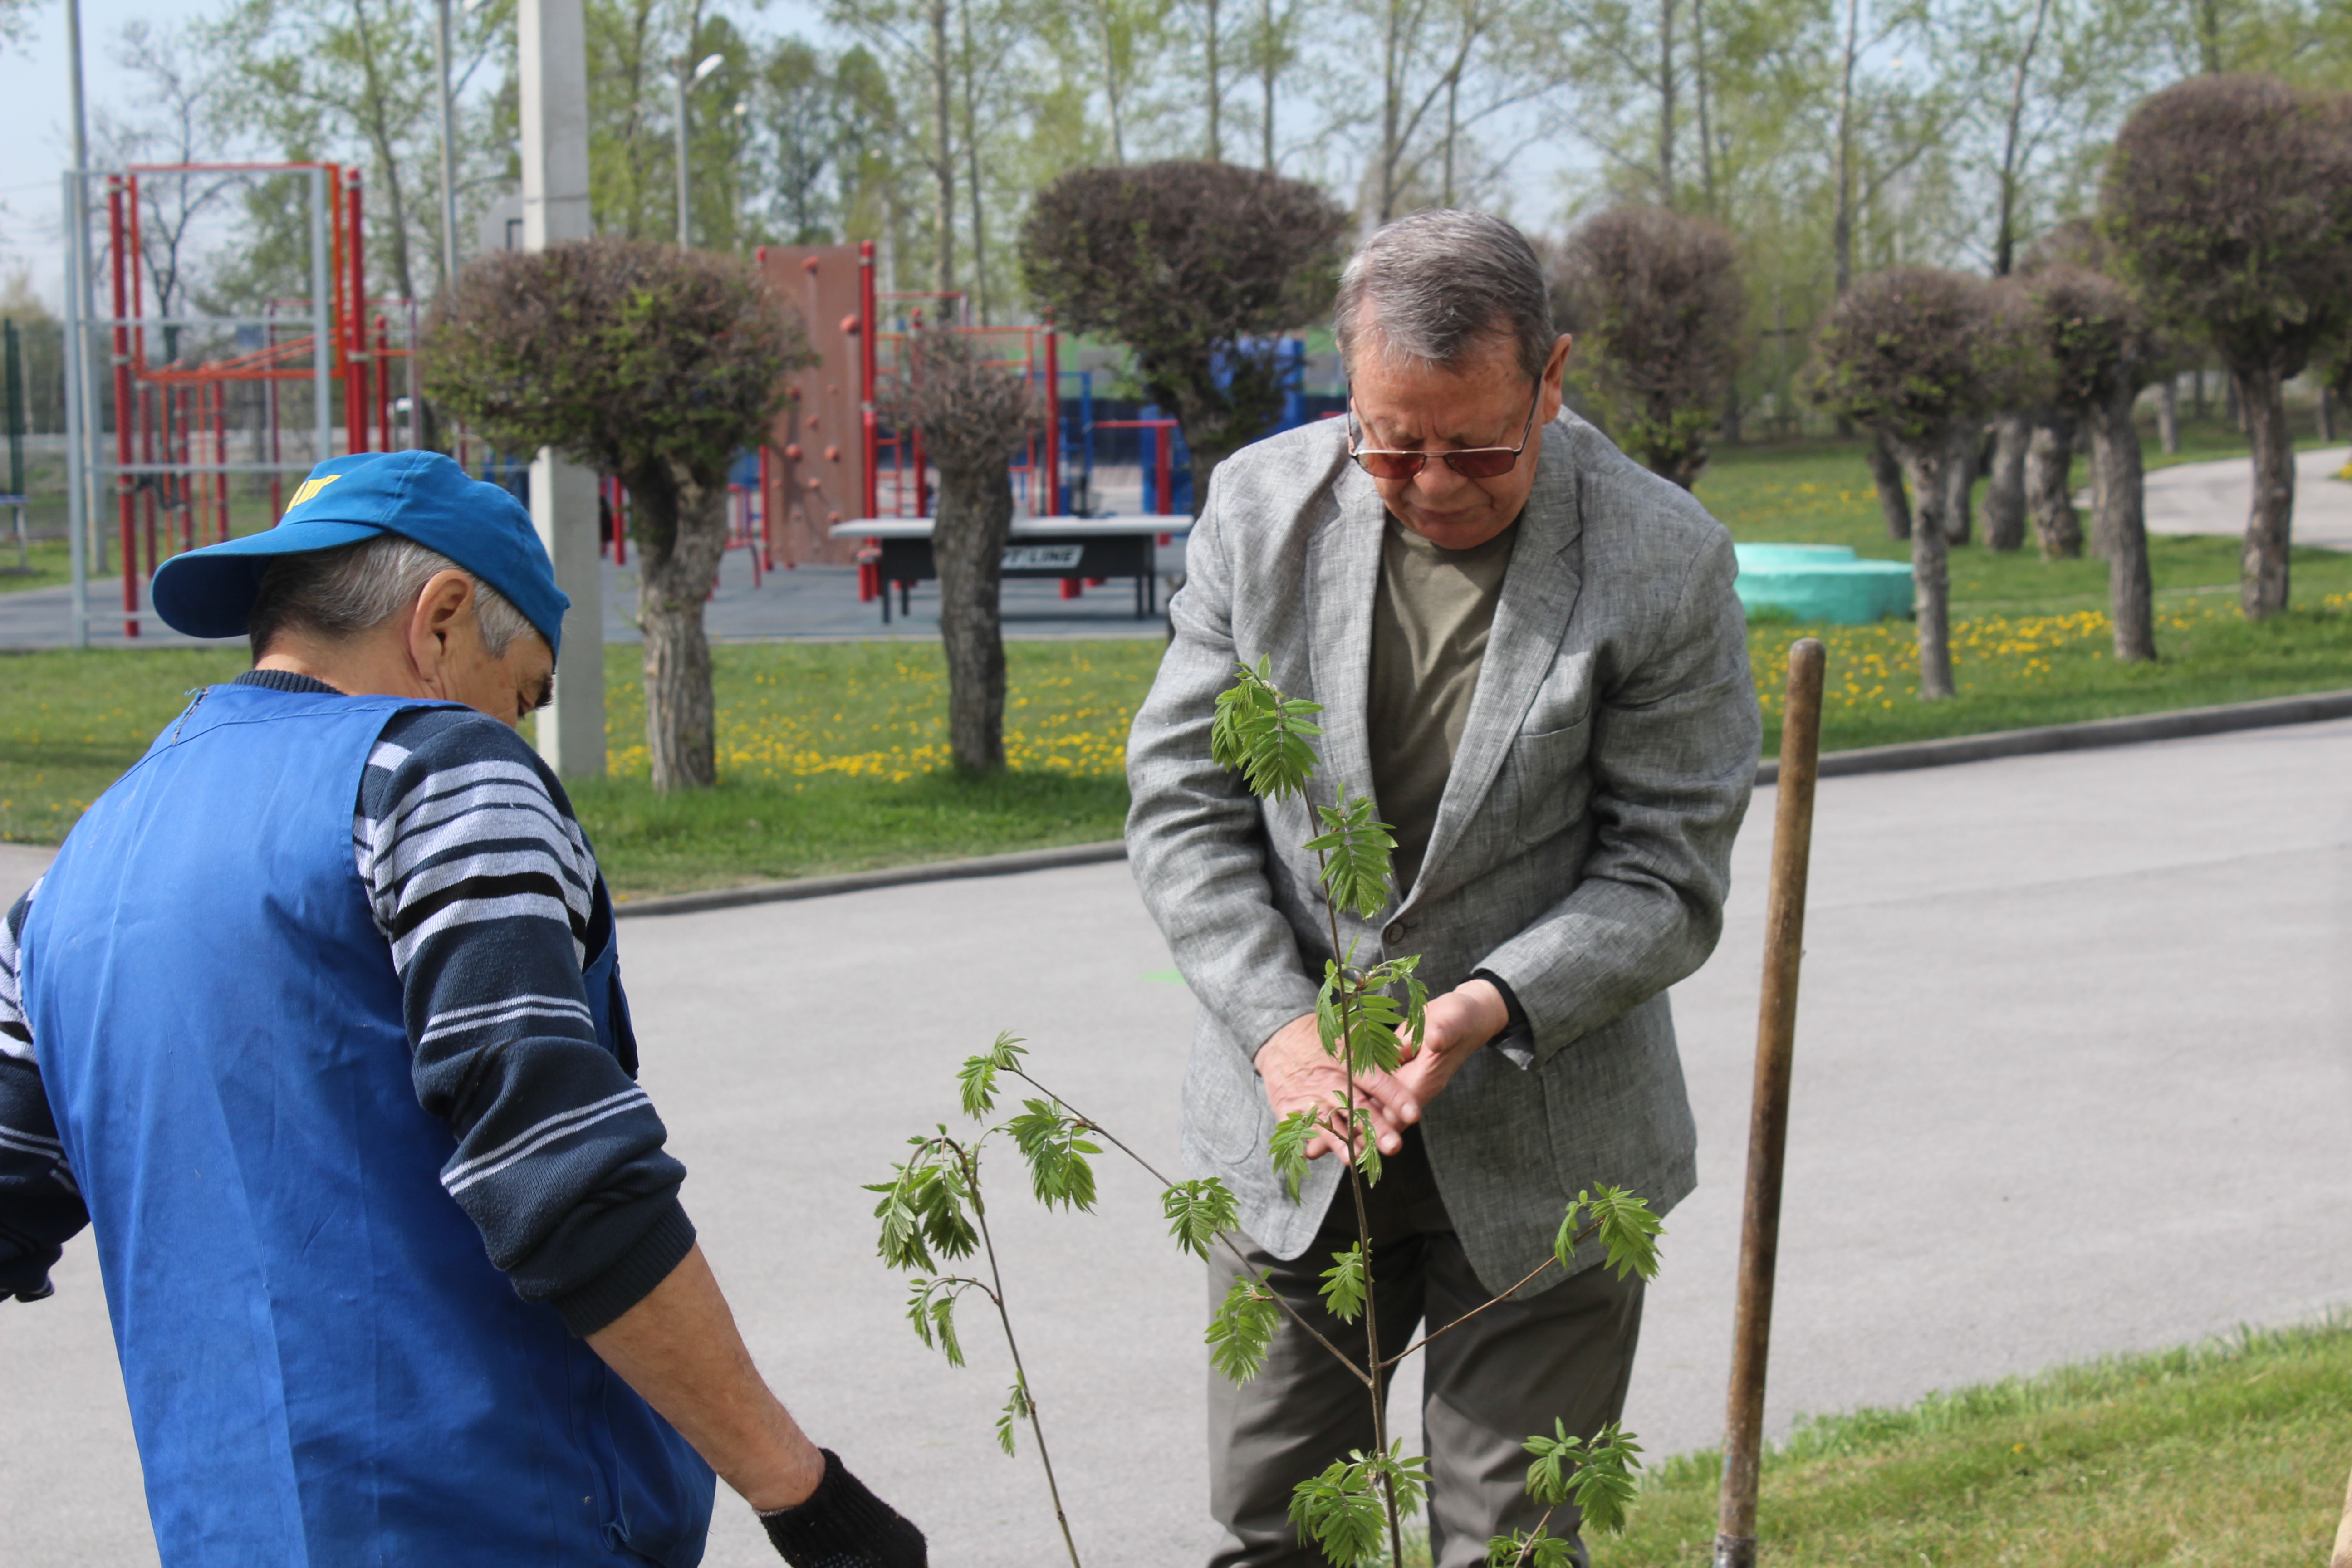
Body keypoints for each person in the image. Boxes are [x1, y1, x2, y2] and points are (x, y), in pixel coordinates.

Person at [0, 451, 926, 1568]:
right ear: (440, 622)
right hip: (500, 1521)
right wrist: (804, 1498)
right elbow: (562, 1182)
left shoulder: (75, 874)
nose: (520, 726)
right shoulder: (436, 778)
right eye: (527, 691)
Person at [1125, 210, 1759, 1568]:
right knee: (1280, 1537)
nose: (1433, 483)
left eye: (1479, 446)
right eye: (1391, 442)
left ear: (1554, 378)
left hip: (1550, 1138)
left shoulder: (1664, 559)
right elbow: (1185, 808)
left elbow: (1667, 873)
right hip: (1293, 1123)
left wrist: (1482, 1007)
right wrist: (1282, 1033)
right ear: (1348, 388)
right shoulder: (1258, 512)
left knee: (1514, 1548)